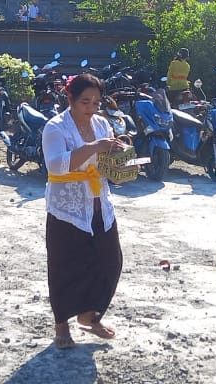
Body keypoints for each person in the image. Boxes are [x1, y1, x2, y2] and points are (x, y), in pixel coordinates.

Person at [42, 73, 126, 349]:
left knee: (109, 262)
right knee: (65, 267)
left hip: (100, 203)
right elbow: (55, 166)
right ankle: (61, 326)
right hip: (67, 208)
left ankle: (90, 316)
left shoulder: (102, 124)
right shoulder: (56, 127)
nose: (91, 108)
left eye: (96, 103)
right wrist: (93, 147)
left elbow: (108, 161)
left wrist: (121, 158)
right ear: (70, 99)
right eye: (85, 102)